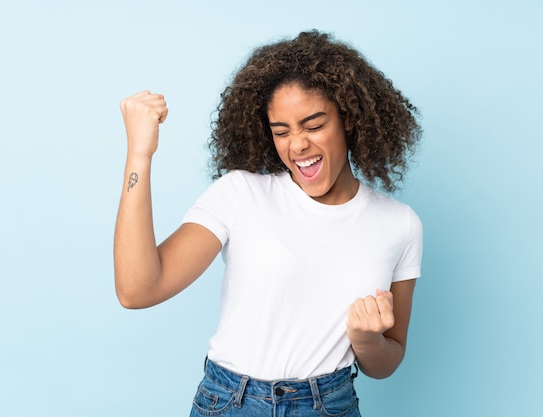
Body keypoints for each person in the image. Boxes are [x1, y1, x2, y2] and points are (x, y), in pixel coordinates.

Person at [114, 30, 423, 417]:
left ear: (349, 119)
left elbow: (386, 363)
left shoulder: (400, 224)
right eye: (281, 131)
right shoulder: (241, 194)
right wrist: (140, 154)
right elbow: (137, 290)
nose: (297, 145)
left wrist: (366, 341)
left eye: (313, 125)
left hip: (330, 404)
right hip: (230, 403)